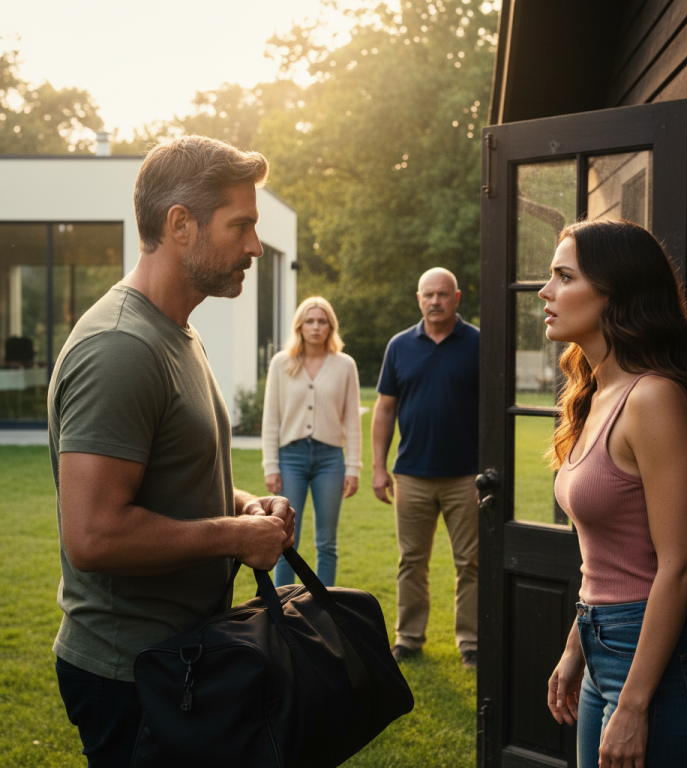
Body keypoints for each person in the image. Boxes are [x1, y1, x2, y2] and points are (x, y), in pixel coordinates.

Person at [48, 135, 295, 768]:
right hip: (130, 674)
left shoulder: (176, 332)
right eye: (239, 225)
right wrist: (234, 537)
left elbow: (173, 474)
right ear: (179, 224)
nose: (254, 247)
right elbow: (95, 535)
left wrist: (245, 506)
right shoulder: (121, 347)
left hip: (180, 658)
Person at [542, 219, 687, 767]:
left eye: (563, 276)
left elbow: (678, 566)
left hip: (656, 669)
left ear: (613, 293)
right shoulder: (595, 391)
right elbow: (606, 554)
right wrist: (577, 647)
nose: (545, 291)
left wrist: (634, 704)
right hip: (603, 648)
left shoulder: (654, 398)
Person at [372, 267, 480, 669]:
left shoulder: (478, 343)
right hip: (412, 475)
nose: (434, 301)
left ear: (456, 298)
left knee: (470, 562)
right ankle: (409, 638)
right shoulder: (400, 346)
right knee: (411, 560)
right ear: (419, 299)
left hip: (466, 476)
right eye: (427, 295)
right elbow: (384, 408)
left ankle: (471, 641)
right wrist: (379, 468)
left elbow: (493, 410)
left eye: (442, 294)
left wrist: (488, 470)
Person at [261, 296, 362, 587]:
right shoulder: (282, 363)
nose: (315, 327)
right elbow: (271, 419)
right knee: (285, 540)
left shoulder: (345, 365)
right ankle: (282, 610)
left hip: (330, 460)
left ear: (330, 326)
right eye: (310, 321)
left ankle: (324, 611)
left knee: (327, 543)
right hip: (289, 458)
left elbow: (353, 422)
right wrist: (271, 465)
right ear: (300, 326)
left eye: (321, 321)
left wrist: (353, 467)